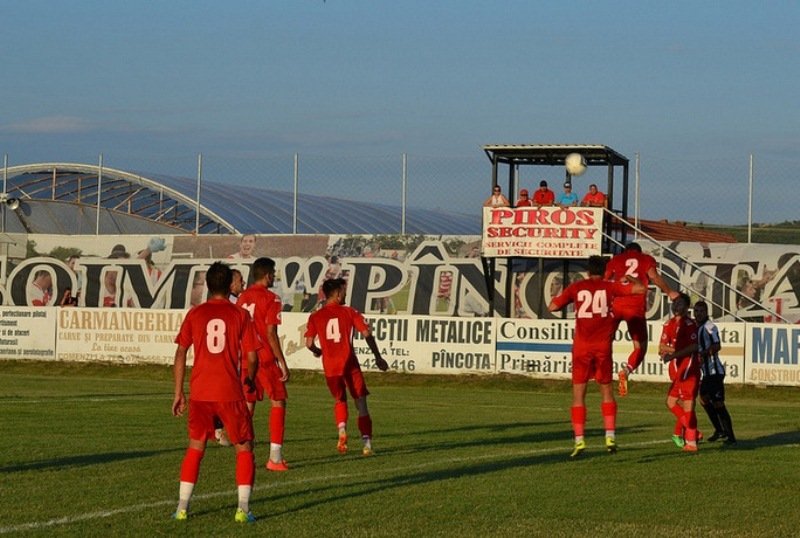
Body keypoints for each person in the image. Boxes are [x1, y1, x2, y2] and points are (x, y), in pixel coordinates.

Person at [171, 262, 260, 523]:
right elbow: (252, 357)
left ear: (209, 285)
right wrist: (250, 380)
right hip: (229, 392)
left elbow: (180, 352)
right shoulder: (240, 315)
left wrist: (178, 392)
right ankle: (243, 509)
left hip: (199, 392)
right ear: (228, 285)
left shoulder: (195, 314)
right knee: (244, 447)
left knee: (195, 447)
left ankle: (182, 507)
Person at [548, 255, 645, 458]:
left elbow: (553, 307)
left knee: (578, 395)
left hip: (581, 347)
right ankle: (609, 436)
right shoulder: (610, 287)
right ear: (604, 270)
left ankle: (579, 440)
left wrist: (557, 298)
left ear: (587, 270)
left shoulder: (577, 287)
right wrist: (633, 280)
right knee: (606, 391)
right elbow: (641, 290)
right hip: (602, 347)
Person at [305, 278, 389, 456]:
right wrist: (378, 357)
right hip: (349, 363)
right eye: (343, 291)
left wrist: (318, 351)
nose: (345, 294)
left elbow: (309, 343)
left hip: (330, 366)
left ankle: (342, 430)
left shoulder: (315, 316)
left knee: (339, 400)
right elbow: (367, 334)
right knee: (361, 403)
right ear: (336, 294)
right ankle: (367, 444)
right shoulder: (349, 312)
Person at [236, 257, 291, 471]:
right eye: (273, 273)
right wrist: (282, 361)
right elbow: (270, 332)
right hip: (264, 357)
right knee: (278, 401)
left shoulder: (242, 298)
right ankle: (275, 458)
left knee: (249, 405)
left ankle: (245, 454)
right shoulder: (272, 298)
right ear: (267, 275)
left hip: (245, 357)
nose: (274, 277)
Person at [605, 242, 680, 395]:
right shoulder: (646, 259)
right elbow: (654, 277)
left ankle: (602, 373)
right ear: (640, 251)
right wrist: (669, 292)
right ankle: (626, 370)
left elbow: (605, 280)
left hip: (616, 304)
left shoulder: (616, 259)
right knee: (640, 348)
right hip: (635, 307)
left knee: (605, 340)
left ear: (626, 251)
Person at [659, 293, 701, 453]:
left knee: (688, 405)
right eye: (676, 303)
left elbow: (693, 347)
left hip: (689, 369)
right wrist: (670, 352)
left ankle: (691, 442)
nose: (677, 306)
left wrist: (673, 354)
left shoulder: (689, 324)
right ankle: (693, 432)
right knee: (670, 402)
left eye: (681, 303)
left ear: (686, 307)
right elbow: (662, 347)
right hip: (678, 371)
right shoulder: (669, 324)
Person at [694, 301, 737, 445]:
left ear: (706, 312)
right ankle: (719, 430)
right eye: (696, 311)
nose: (698, 313)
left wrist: (703, 354)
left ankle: (730, 435)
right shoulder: (696, 327)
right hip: (707, 373)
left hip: (715, 371)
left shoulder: (709, 326)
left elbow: (717, 345)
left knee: (718, 403)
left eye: (701, 311)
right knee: (704, 399)